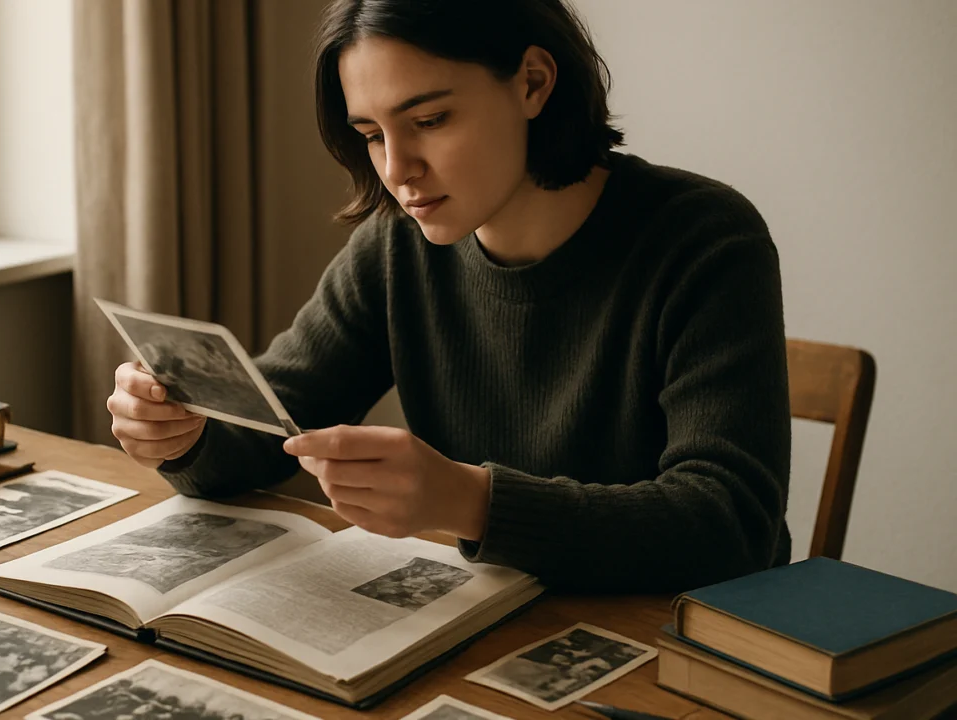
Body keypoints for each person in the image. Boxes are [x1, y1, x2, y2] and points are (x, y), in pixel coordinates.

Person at [106, 0, 790, 593]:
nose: (397, 169)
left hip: (673, 644)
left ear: (533, 82)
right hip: (485, 620)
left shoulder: (703, 239)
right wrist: (184, 433)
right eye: (371, 135)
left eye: (430, 119)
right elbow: (274, 424)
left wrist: (472, 501)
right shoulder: (395, 247)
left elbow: (732, 524)